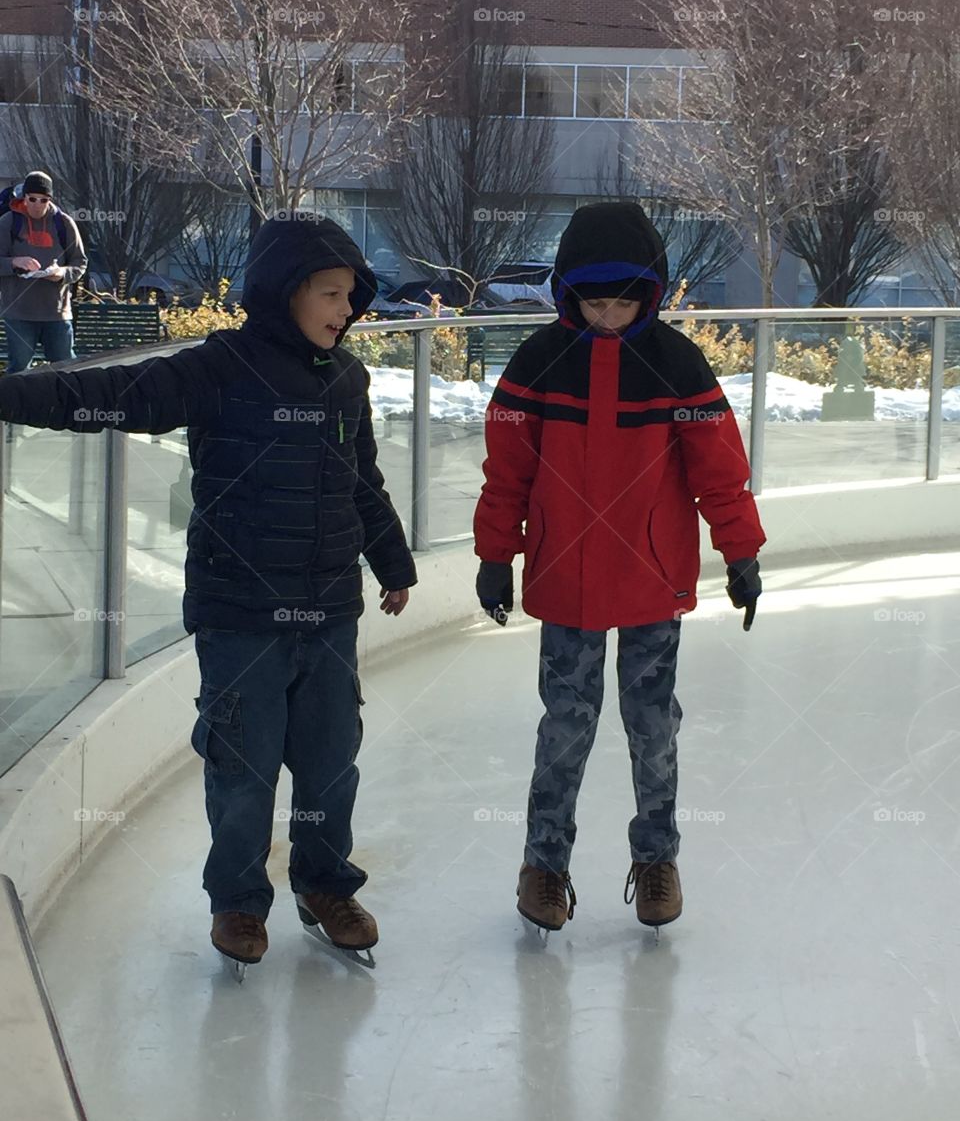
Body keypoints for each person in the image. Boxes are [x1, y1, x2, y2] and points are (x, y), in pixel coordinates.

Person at [0, 212, 416, 970]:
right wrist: (11, 396)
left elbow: (362, 481)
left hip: (329, 609)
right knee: (242, 767)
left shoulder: (347, 379)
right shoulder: (220, 368)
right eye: (329, 293)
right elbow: (108, 393)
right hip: (240, 611)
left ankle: (325, 885)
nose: (345, 309)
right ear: (284, 292)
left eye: (351, 295)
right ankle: (239, 901)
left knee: (330, 764)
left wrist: (393, 562)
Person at [473, 201, 765, 934]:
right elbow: (506, 473)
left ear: (650, 294)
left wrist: (741, 553)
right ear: (567, 295)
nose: (607, 318)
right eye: (592, 303)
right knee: (566, 727)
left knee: (652, 726)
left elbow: (720, 473)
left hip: (651, 581)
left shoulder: (677, 364)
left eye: (623, 303)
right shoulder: (538, 362)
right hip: (564, 580)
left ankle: (658, 859)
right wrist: (495, 555)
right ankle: (544, 866)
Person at [0, 170, 87, 372]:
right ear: (24, 198)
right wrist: (15, 262)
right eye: (32, 199)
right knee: (19, 370)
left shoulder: (64, 224)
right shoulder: (8, 223)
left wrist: (61, 273)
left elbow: (80, 262)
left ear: (50, 199)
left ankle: (64, 396)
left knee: (65, 369)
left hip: (56, 313)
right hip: (19, 313)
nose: (37, 205)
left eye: (44, 200)